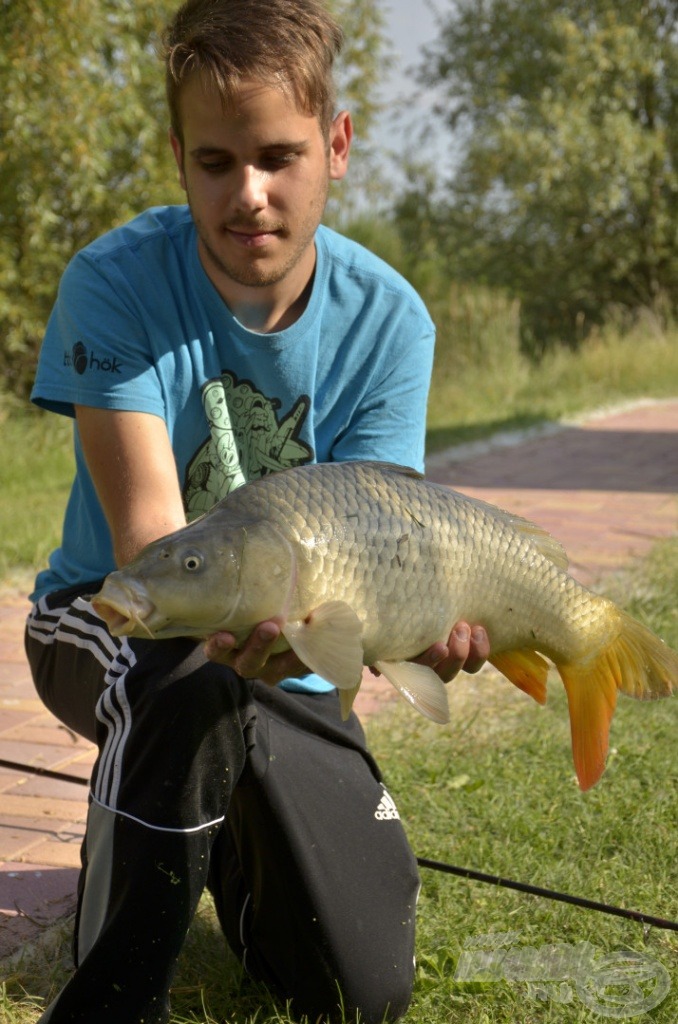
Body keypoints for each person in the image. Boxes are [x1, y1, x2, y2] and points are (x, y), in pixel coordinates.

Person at [24, 1, 490, 1021]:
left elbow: (377, 567)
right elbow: (151, 550)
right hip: (116, 615)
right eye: (215, 161)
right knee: (188, 678)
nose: (250, 194)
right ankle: (113, 985)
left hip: (295, 646)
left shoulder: (391, 319)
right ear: (178, 155)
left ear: (337, 145)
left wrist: (411, 640)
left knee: (356, 986)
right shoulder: (115, 282)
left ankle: (220, 833)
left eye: (280, 156)